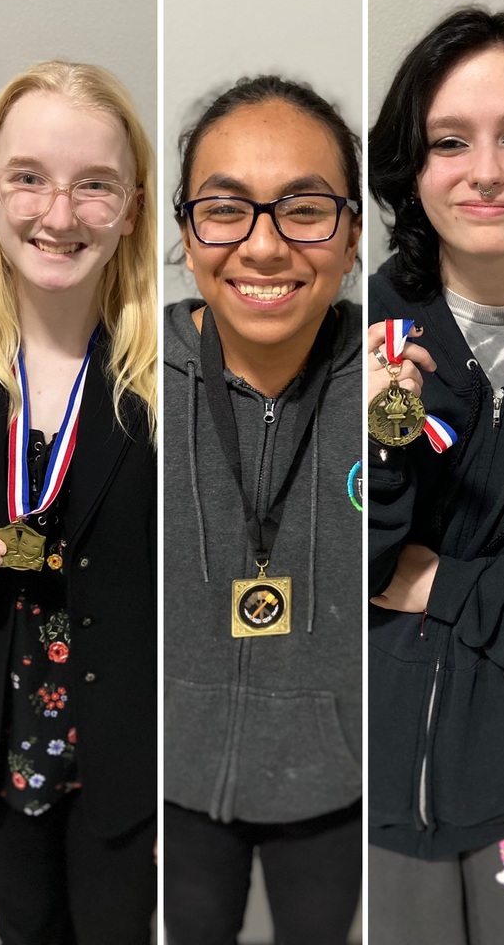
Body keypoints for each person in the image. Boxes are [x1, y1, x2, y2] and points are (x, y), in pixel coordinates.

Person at [366, 8, 504, 945]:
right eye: (450, 142)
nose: (485, 172)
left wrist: (441, 582)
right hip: (365, 786)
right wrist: (381, 444)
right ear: (411, 168)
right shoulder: (346, 330)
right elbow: (319, 572)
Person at [0, 61, 157, 945]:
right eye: (29, 178)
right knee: (25, 929)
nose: (60, 215)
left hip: (128, 755)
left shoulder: (172, 380)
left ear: (133, 207)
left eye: (95, 185)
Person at [162, 75, 363, 945]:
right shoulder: (127, 377)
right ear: (186, 233)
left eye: (305, 210)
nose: (265, 246)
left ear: (352, 237)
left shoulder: (402, 384)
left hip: (335, 784)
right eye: (226, 210)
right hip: (166, 779)